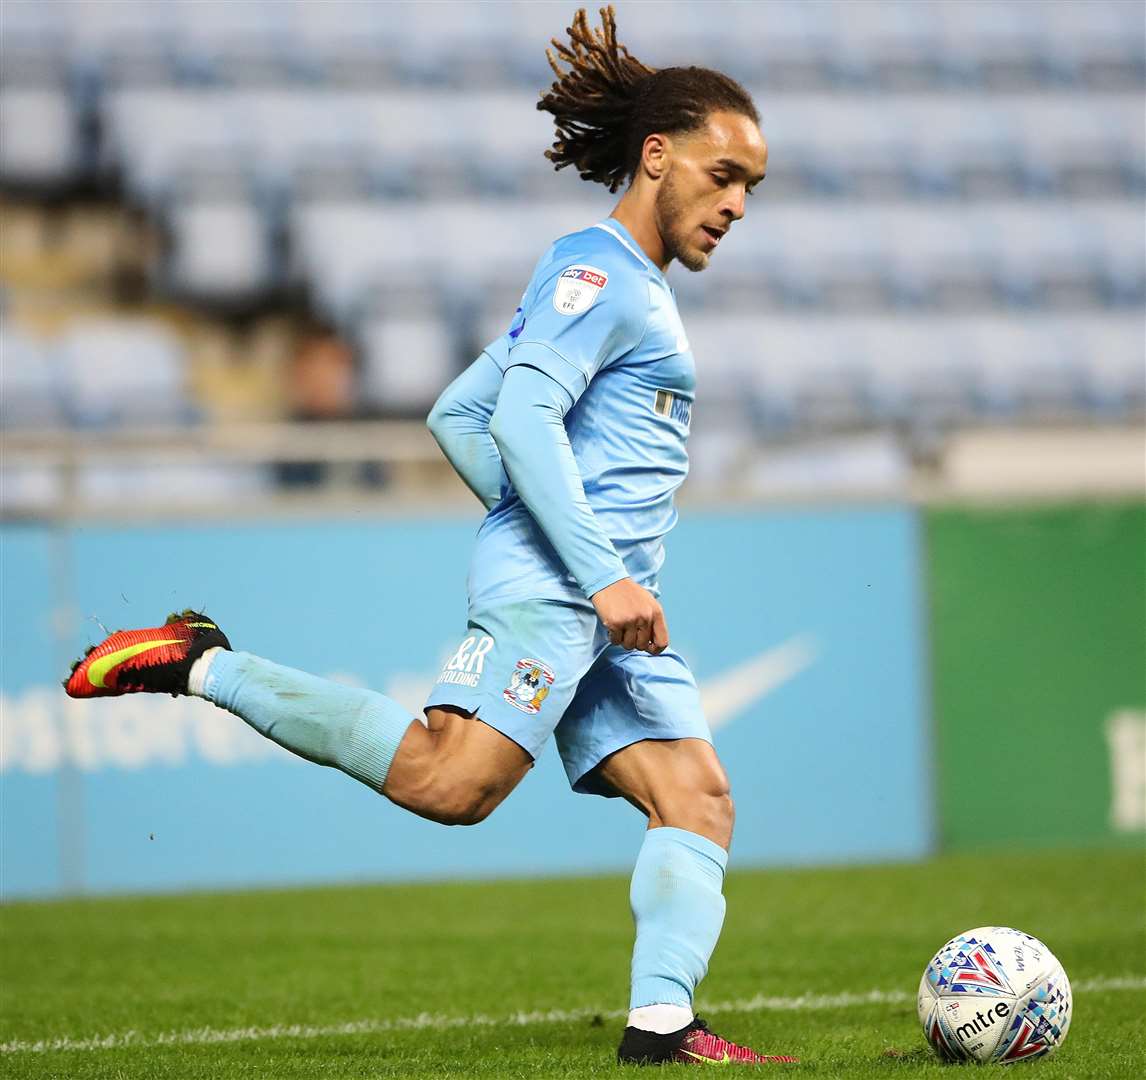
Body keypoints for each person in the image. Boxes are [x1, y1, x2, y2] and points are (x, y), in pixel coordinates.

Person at [64, 7, 789, 1067]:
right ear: (657, 154)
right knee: (451, 783)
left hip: (601, 602)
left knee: (696, 792)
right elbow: (519, 418)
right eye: (723, 176)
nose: (734, 204)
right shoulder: (598, 277)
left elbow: (457, 411)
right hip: (576, 595)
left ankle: (662, 1030)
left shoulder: (614, 282)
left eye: (751, 190)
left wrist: (553, 544)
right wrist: (581, 570)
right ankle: (202, 663)